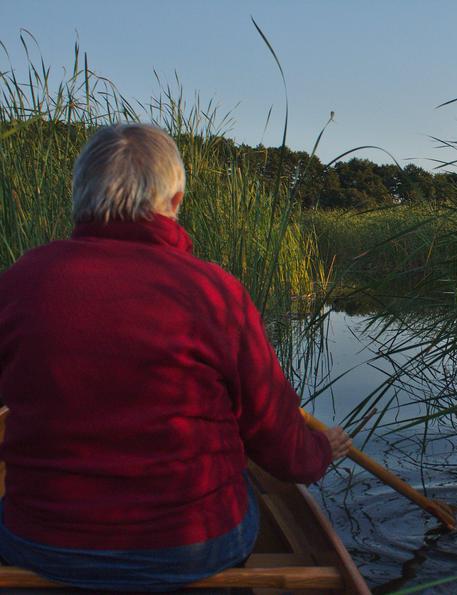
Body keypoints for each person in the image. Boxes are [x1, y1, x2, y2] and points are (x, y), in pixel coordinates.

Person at [0, 123, 351, 590]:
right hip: (193, 547)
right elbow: (281, 447)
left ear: (79, 197)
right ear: (176, 201)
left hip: (43, 544)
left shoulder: (18, 283)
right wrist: (320, 451)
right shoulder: (216, 292)